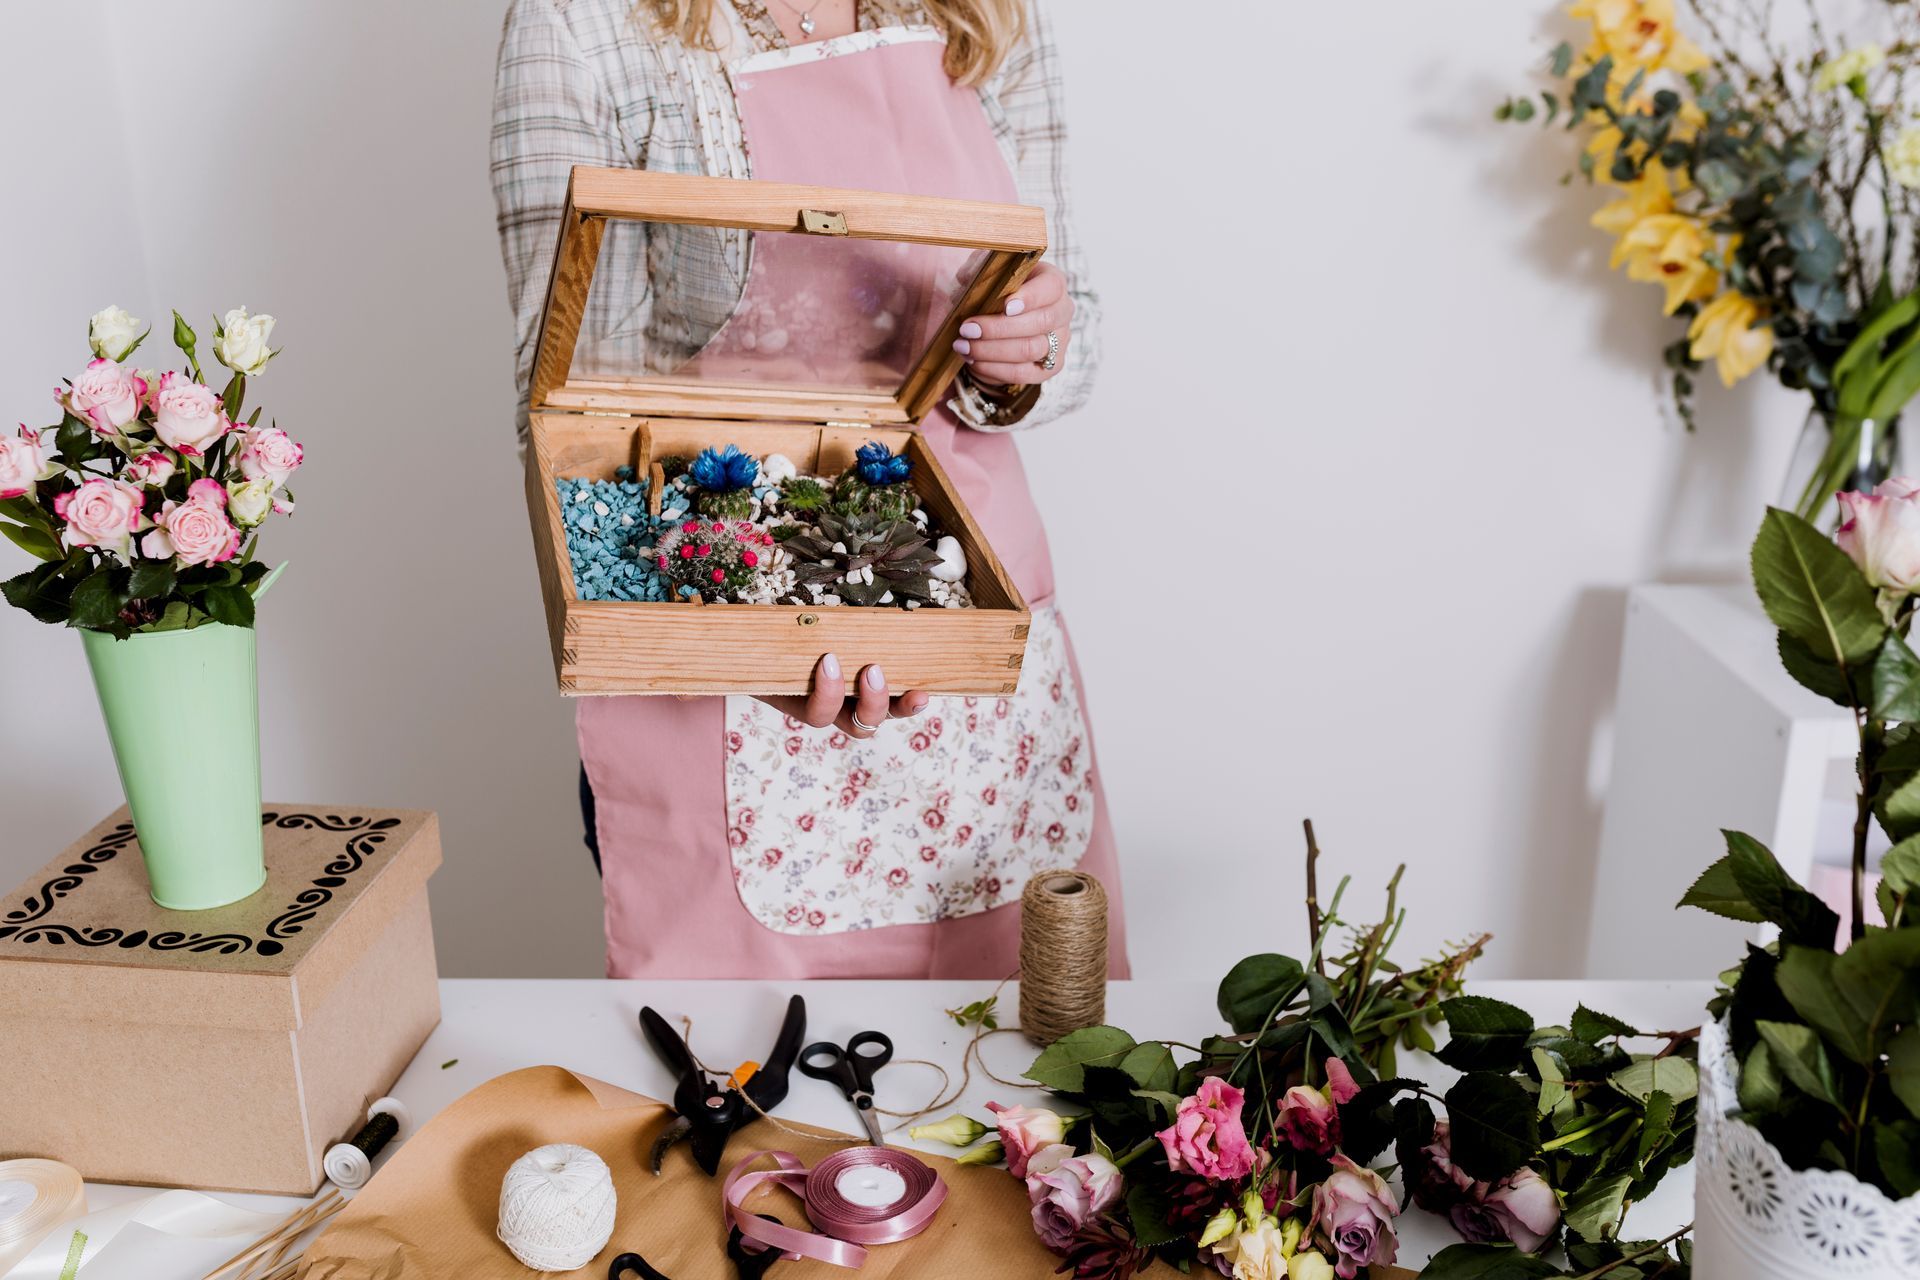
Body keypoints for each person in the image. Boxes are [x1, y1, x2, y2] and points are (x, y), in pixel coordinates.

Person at [492, 0, 1127, 979]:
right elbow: (575, 410)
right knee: (736, 1068)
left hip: (964, 620)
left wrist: (1021, 354)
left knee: (1012, 1055)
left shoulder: (986, 12)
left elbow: (1067, 333)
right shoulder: (581, 22)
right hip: (719, 613)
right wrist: (746, 637)